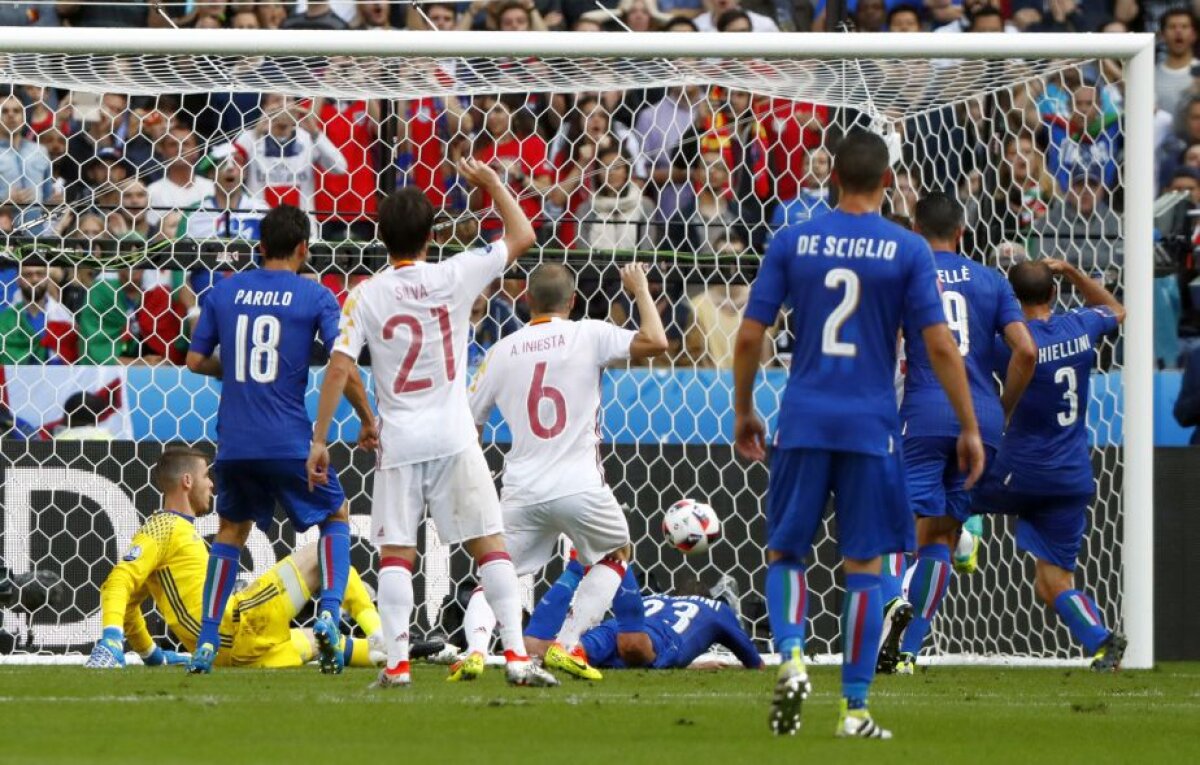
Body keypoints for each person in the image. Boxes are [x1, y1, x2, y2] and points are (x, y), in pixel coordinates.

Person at [732, 129, 984, 739]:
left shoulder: (793, 239)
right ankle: (854, 709)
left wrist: (743, 410)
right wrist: (970, 425)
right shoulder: (906, 248)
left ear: (833, 177)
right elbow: (940, 347)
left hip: (804, 418)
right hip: (872, 426)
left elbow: (748, 334)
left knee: (785, 553)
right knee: (866, 567)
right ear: (887, 182)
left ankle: (791, 655)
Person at [306, 158, 557, 689]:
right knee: (490, 543)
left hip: (399, 440)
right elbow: (524, 235)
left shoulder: (364, 294)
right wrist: (491, 184)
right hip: (454, 434)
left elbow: (339, 366)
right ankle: (515, 658)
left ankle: (397, 667)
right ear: (431, 235)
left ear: (381, 236)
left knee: (397, 551)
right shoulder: (456, 272)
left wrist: (321, 438)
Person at [183, 204, 376, 676]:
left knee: (231, 532)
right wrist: (368, 418)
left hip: (235, 442)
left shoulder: (223, 292)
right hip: (290, 440)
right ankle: (330, 613)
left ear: (260, 247)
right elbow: (342, 363)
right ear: (304, 249)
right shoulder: (316, 297)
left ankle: (208, 640)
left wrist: (236, 373)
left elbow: (193, 361)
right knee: (335, 514)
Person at [458, 262, 669, 682]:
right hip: (580, 485)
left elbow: (468, 426)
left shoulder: (501, 351)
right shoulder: (587, 333)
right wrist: (640, 289)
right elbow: (657, 341)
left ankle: (476, 650)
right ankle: (568, 644)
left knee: (497, 569)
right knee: (614, 555)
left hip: (522, 487)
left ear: (526, 301)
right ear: (572, 301)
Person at [875, 193, 1036, 675]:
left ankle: (889, 607)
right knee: (943, 536)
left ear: (916, 230)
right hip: (981, 417)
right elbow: (1025, 351)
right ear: (963, 231)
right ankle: (907, 652)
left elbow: (887, 344)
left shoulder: (907, 275)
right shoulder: (993, 280)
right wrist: (1000, 410)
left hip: (923, 409)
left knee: (894, 528)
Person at [84, 447, 383, 670]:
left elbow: (129, 603)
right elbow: (116, 582)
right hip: (235, 625)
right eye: (206, 477)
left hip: (230, 653)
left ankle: (394, 653)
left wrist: (152, 654)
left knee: (317, 641)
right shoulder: (163, 527)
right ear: (187, 481)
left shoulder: (174, 535)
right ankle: (381, 633)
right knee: (324, 555)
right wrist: (111, 640)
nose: (212, 484)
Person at [972, 259, 1127, 671]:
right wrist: (1076, 272)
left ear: (1011, 299)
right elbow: (1118, 310)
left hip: (1020, 469)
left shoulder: (1006, 342)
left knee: (949, 497)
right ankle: (1102, 641)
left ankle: (966, 541)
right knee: (1051, 582)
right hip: (1072, 475)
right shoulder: (1080, 326)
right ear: (1055, 293)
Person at [524, 563, 764, 670]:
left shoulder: (655, 598)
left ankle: (564, 648)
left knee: (547, 654)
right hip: (655, 643)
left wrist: (690, 666)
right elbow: (755, 663)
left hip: (617, 628)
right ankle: (613, 561)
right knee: (634, 649)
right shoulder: (717, 610)